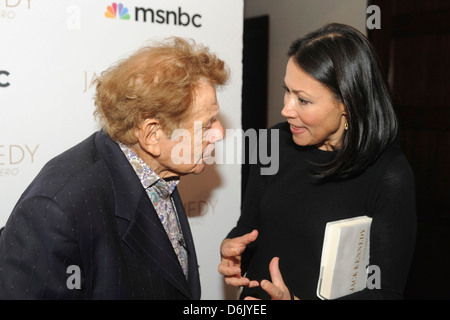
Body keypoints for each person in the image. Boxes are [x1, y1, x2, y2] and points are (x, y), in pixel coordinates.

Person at [0, 37, 228, 299]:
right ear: (152, 134)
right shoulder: (57, 208)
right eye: (207, 124)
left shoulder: (161, 171)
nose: (220, 133)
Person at [219, 23, 416, 300]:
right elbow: (248, 227)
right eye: (287, 91)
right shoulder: (272, 142)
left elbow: (385, 292)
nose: (286, 109)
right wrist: (232, 247)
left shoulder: (387, 174)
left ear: (347, 102)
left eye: (303, 100)